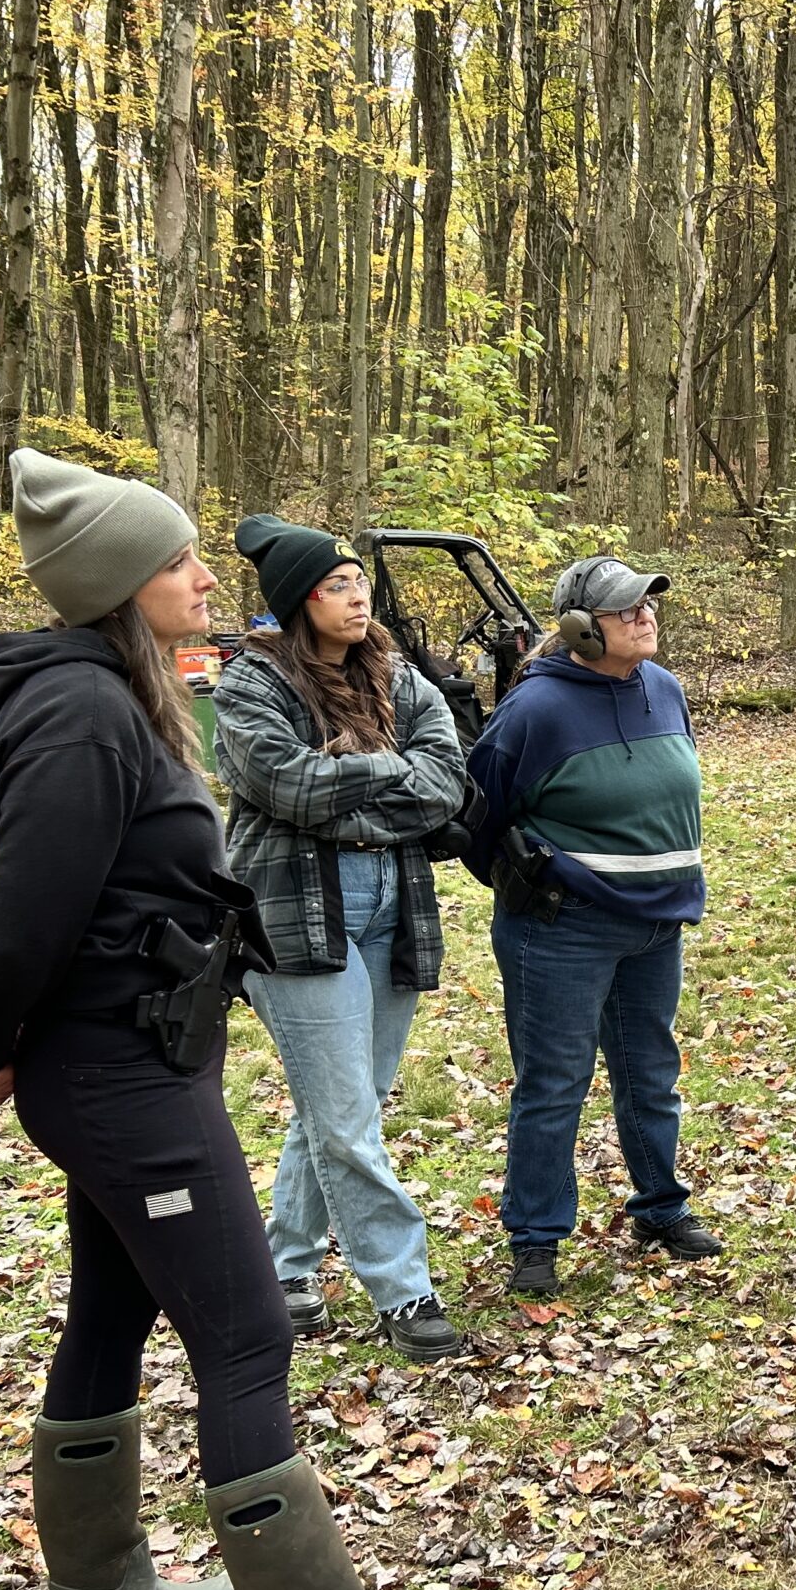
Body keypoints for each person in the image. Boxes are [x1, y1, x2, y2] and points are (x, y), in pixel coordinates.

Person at [0, 449, 490, 1590]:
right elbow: (27, 904)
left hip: (132, 1060)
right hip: (117, 1076)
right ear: (119, 581)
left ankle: (98, 1586)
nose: (206, 575)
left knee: (112, 1312)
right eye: (176, 559)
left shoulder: (113, 694)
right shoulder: (80, 711)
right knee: (247, 1338)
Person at [214, 517, 472, 1362]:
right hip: (295, 909)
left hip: (395, 899)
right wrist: (390, 771)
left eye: (360, 581)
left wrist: (351, 785)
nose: (358, 597)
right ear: (300, 601)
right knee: (345, 1114)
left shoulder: (397, 675)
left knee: (347, 1102)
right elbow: (285, 784)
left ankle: (285, 1273)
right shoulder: (252, 683)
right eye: (337, 585)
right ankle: (403, 1289)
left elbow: (447, 781)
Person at [462, 557, 719, 1295]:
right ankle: (536, 1237)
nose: (645, 616)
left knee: (651, 1073)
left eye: (648, 604)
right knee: (555, 1083)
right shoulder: (535, 710)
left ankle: (660, 1208)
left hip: (657, 924)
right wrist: (544, 882)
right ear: (580, 628)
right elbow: (479, 818)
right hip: (563, 930)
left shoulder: (664, 688)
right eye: (625, 609)